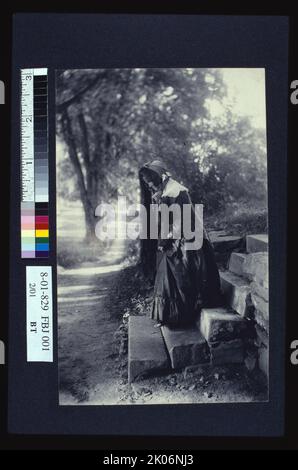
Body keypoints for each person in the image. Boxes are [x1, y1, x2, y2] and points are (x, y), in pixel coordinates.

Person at [139, 160, 222, 328]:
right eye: (149, 187)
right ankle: (171, 316)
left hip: (189, 239)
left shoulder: (177, 192)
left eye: (153, 185)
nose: (152, 189)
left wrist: (167, 240)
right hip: (177, 237)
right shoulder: (164, 193)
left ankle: (182, 316)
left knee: (177, 267)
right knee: (166, 266)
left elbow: (181, 223)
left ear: (160, 179)